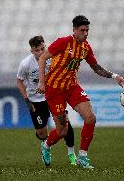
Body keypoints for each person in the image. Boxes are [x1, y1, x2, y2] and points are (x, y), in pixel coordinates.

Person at [37, 15, 124, 168]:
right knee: (62, 131)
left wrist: (115, 76)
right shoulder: (63, 42)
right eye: (82, 30)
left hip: (72, 87)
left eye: (87, 30)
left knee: (90, 117)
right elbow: (42, 58)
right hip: (54, 90)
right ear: (74, 30)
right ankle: (46, 146)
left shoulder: (86, 48)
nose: (85, 33)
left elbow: (96, 67)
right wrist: (41, 82)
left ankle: (83, 157)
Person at [16, 35, 77, 165]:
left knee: (64, 123)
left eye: (42, 49)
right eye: (37, 50)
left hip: (53, 96)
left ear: (45, 47)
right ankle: (46, 145)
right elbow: (19, 81)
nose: (40, 52)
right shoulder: (25, 64)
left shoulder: (53, 58)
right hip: (35, 101)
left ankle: (71, 154)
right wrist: (26, 99)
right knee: (42, 133)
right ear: (31, 51)